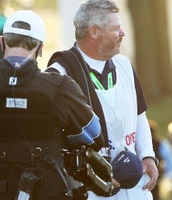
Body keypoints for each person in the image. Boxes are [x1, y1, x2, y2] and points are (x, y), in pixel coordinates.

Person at [46, 0, 159, 200]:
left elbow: (140, 115)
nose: (122, 33)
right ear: (94, 32)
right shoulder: (60, 73)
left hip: (133, 183)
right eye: (116, 28)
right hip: (89, 187)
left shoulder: (124, 65)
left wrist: (147, 155)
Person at [0, 10, 102, 199]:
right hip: (45, 190)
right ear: (40, 48)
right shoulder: (60, 87)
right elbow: (94, 135)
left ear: (2, 42)